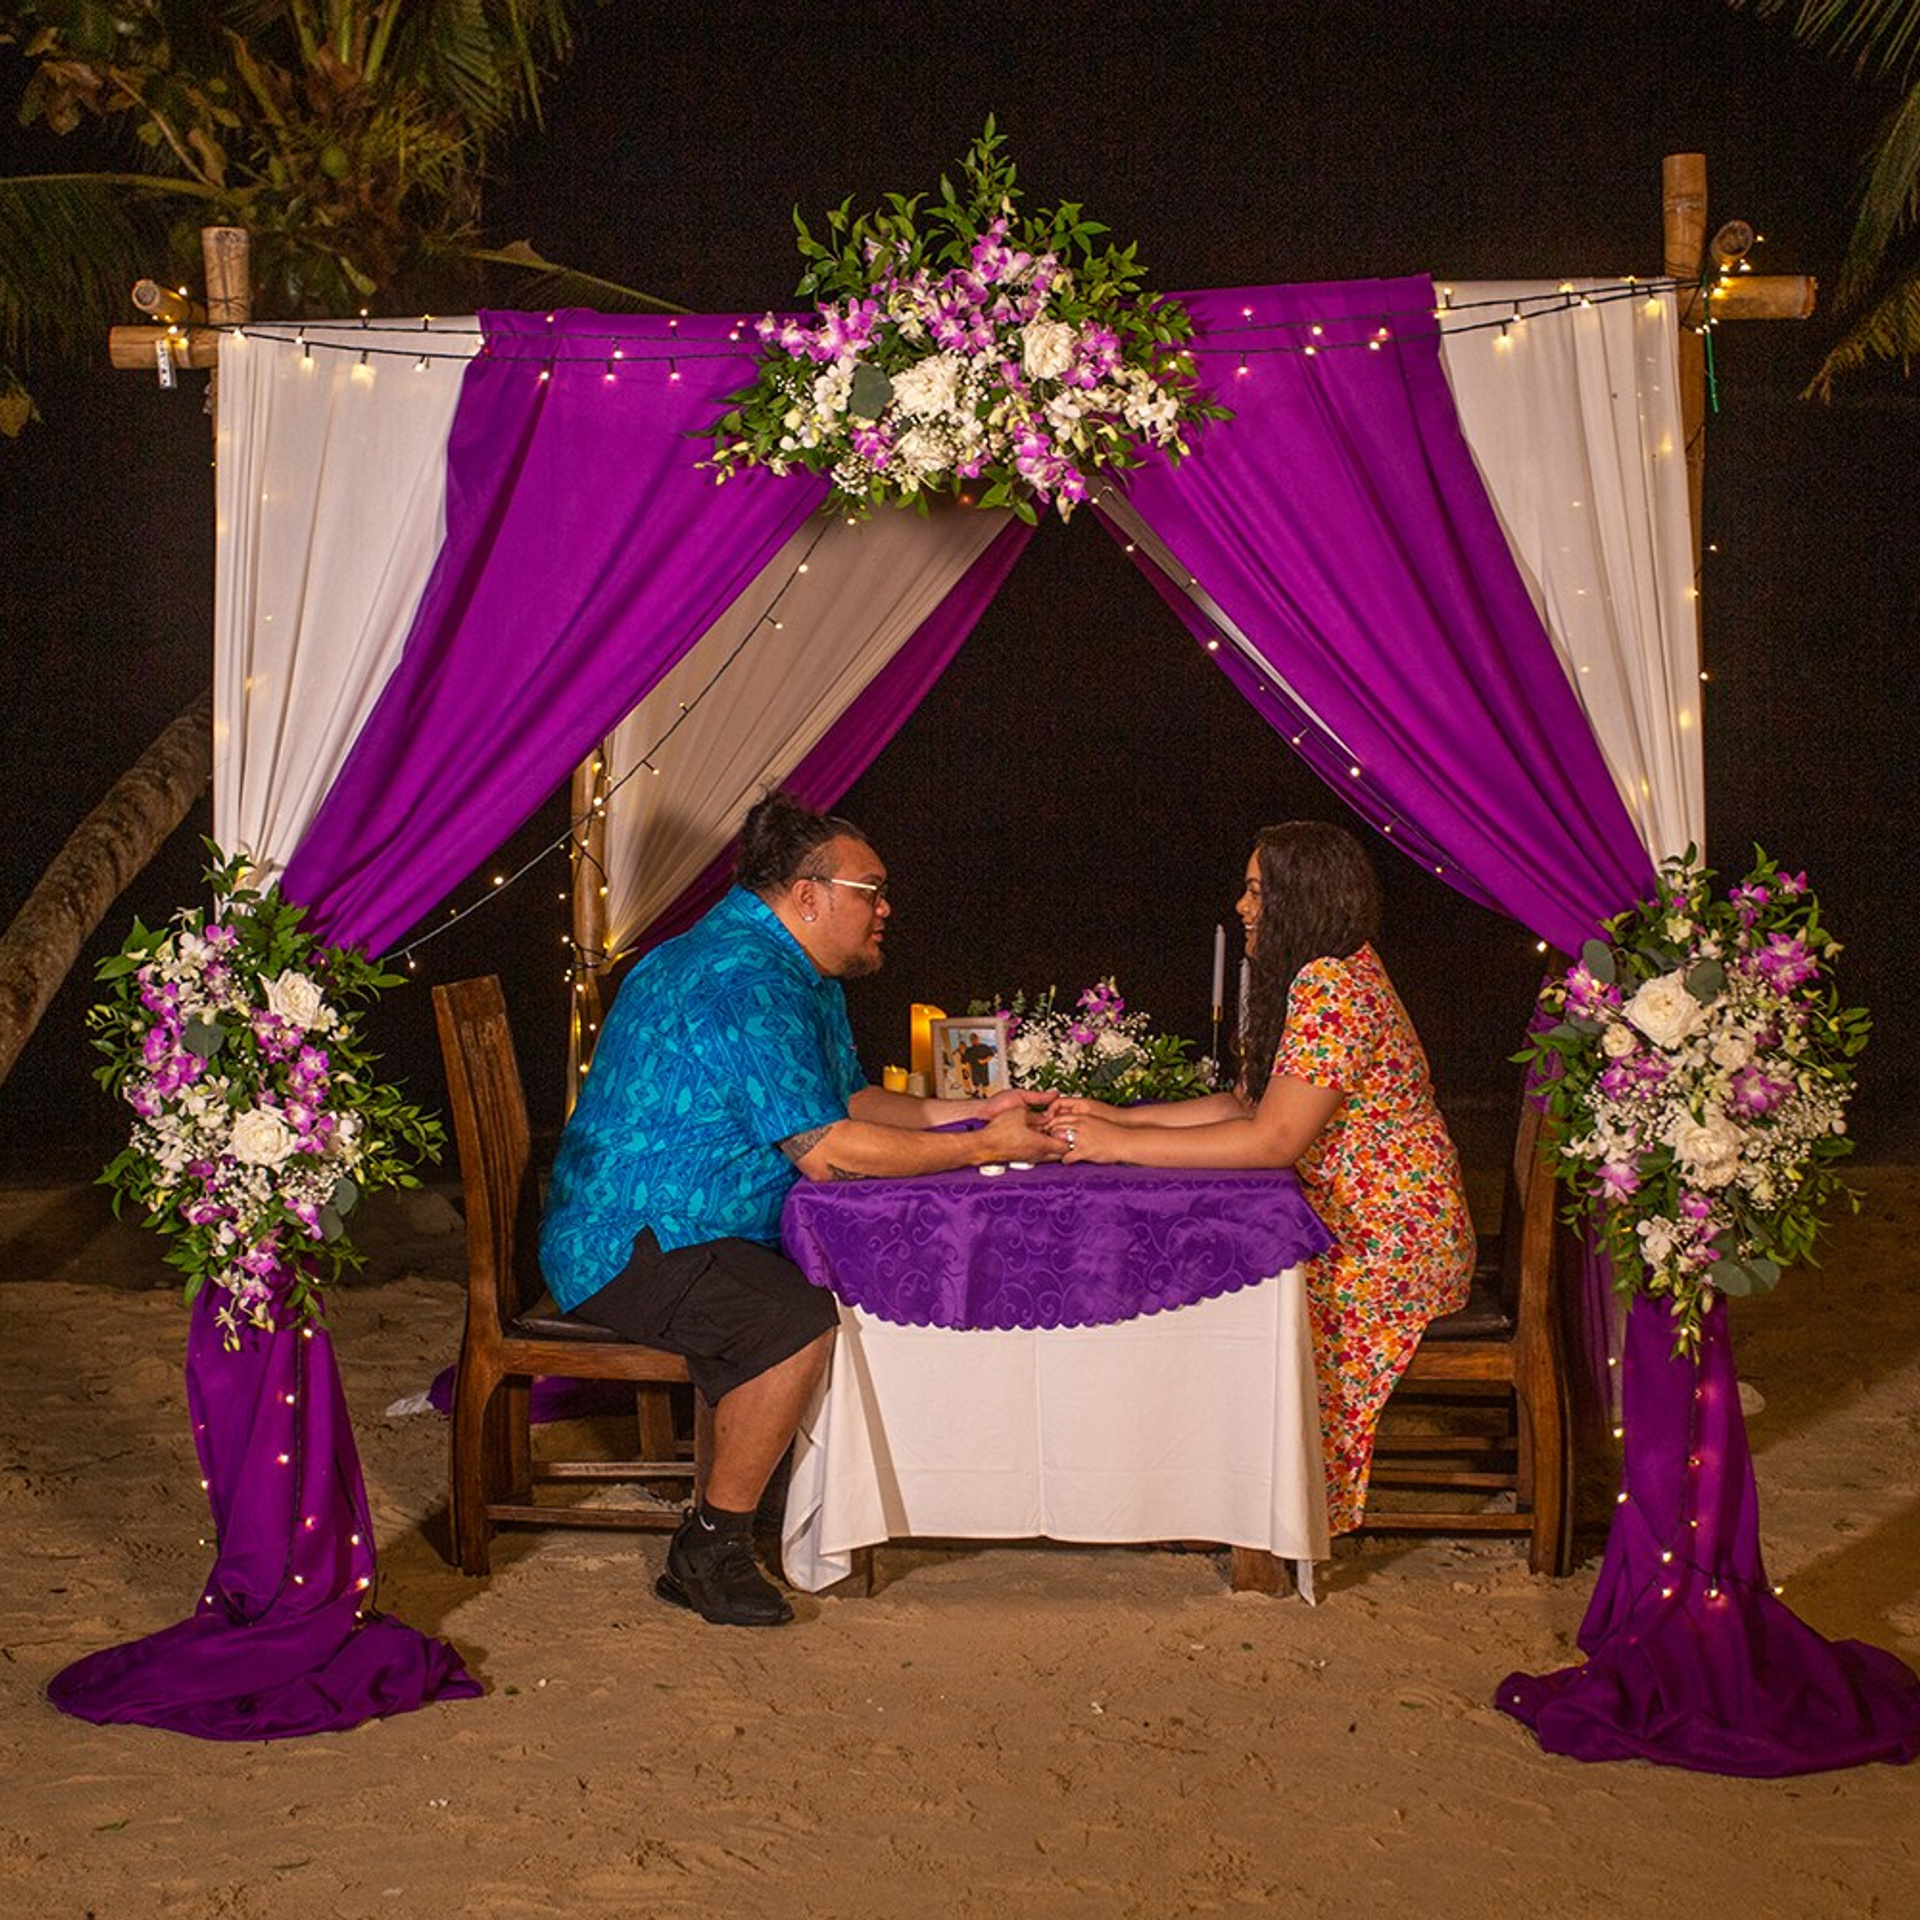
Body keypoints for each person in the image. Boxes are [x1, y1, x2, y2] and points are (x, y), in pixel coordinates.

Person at [539, 790, 1064, 1628]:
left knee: (791, 1290)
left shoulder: (799, 969)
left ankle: (786, 1496)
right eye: (873, 890)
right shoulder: (740, 976)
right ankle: (707, 1549)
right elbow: (828, 1152)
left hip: (704, 1231)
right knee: (789, 1319)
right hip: (629, 1241)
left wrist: (983, 1117)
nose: (887, 909)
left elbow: (849, 1099)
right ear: (808, 895)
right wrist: (980, 1150)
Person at [1047, 820, 1474, 1537]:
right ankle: (1211, 1490)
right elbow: (1242, 1109)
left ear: (1300, 897)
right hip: (1377, 1227)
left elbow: (1272, 1140)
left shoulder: (1332, 984)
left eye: (1256, 891)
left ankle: (1246, 1508)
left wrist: (1116, 1145)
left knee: (1229, 1303)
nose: (1243, 907)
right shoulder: (1333, 971)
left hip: (1385, 1246)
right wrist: (1115, 1117)